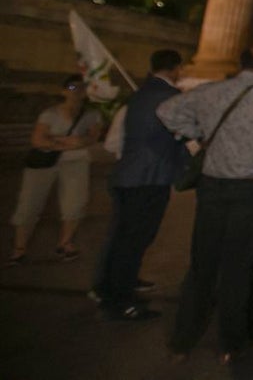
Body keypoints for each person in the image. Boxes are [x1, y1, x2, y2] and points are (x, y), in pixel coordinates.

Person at [158, 46, 253, 365]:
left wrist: (198, 135)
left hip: (213, 187)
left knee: (202, 264)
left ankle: (182, 339)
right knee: (238, 267)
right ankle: (229, 343)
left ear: (240, 64)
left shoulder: (212, 92)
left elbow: (166, 111)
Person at [90, 49, 185, 321]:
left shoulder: (135, 98)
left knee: (121, 237)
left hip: (125, 176)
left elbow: (114, 143)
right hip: (149, 178)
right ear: (176, 69)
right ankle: (122, 301)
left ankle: (107, 286)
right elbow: (186, 136)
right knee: (135, 239)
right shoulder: (171, 100)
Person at [8, 74, 102, 266]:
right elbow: (37, 140)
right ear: (63, 91)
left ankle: (65, 243)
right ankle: (19, 248)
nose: (77, 92)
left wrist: (58, 140)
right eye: (73, 88)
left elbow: (92, 137)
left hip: (76, 162)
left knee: (75, 204)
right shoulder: (50, 113)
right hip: (44, 163)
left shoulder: (92, 114)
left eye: (81, 88)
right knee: (29, 204)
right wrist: (67, 143)